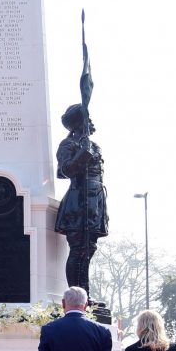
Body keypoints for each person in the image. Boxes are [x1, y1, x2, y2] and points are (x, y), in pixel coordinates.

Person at [54, 104, 108, 297]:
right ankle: (76, 297)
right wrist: (82, 153)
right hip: (78, 200)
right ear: (78, 123)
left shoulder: (94, 145)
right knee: (78, 249)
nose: (91, 122)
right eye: (87, 118)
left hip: (95, 201)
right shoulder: (68, 144)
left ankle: (85, 295)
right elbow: (65, 170)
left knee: (89, 249)